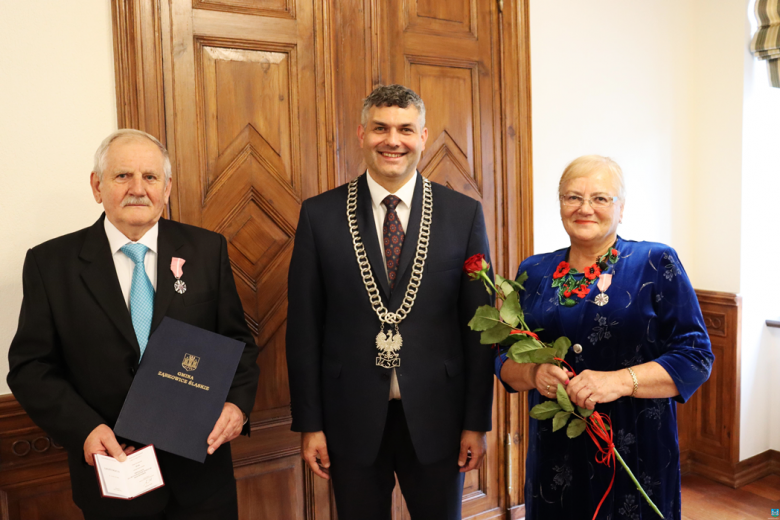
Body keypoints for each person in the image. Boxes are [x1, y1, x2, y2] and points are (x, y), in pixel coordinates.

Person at [7, 129, 260, 520]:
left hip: (202, 478)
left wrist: (238, 406)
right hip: (114, 477)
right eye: (123, 176)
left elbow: (236, 343)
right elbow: (30, 367)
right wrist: (85, 430)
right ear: (97, 185)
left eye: (151, 177)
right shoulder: (50, 263)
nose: (138, 189)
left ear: (168, 187)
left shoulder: (207, 250)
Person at [286, 84, 494, 520]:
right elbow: (304, 327)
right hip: (350, 418)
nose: (392, 141)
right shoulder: (319, 215)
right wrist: (310, 424)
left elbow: (479, 329)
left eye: (405, 129)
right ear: (361, 134)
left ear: (423, 136)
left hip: (440, 419)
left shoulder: (463, 214)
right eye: (380, 128)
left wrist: (477, 422)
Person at [496, 155, 714, 520]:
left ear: (621, 208)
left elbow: (696, 356)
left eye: (600, 198)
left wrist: (619, 382)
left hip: (636, 449)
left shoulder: (656, 262)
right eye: (572, 197)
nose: (585, 208)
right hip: (555, 456)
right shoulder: (532, 271)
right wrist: (533, 375)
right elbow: (503, 357)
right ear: (561, 204)